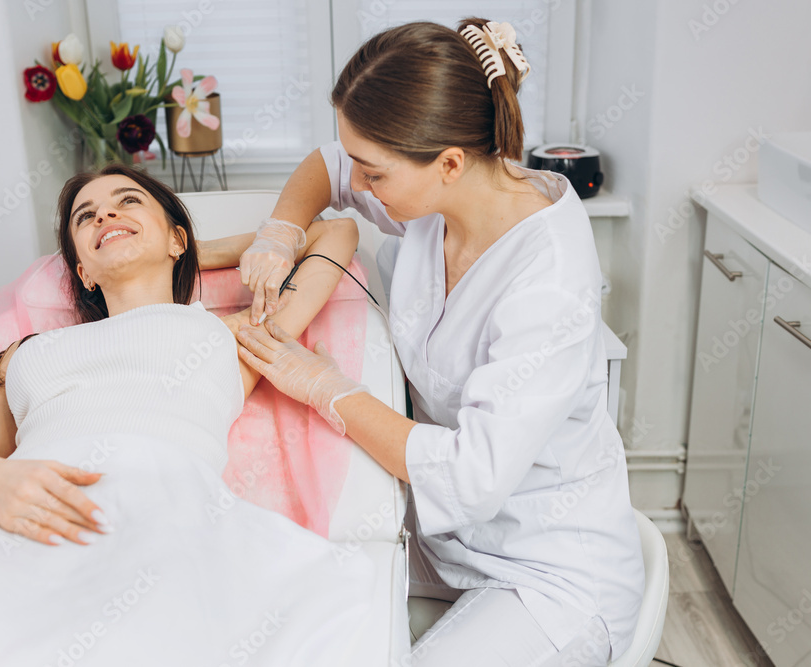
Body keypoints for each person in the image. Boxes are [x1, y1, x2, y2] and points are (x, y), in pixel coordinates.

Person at [0, 164, 384, 666]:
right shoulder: (23, 354)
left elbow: (336, 233)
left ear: (176, 235)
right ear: (81, 271)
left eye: (127, 203)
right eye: (87, 217)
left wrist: (190, 252)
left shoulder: (232, 333)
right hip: (20, 516)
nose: (107, 215)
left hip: (163, 516)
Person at [234, 18, 645, 667]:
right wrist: (281, 229)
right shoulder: (440, 200)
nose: (360, 188)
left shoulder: (546, 280)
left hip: (548, 570)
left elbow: (468, 475)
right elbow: (326, 166)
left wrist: (324, 386)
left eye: (375, 175)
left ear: (448, 162)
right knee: (292, 572)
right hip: (450, 533)